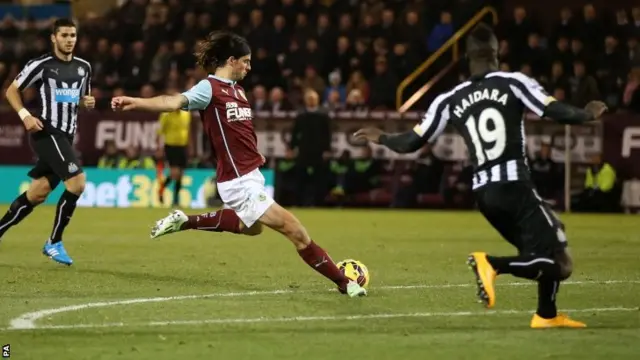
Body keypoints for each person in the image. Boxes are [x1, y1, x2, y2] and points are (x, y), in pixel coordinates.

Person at [354, 23, 608, 327]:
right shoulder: (513, 82)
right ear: (496, 54)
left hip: (485, 196)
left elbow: (411, 142)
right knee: (560, 262)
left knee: (538, 249)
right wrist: (588, 114)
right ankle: (492, 265)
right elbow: (552, 110)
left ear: (467, 58)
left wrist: (381, 136)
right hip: (514, 185)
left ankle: (546, 315)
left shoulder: (450, 98)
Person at [111, 31, 366, 297]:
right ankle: (345, 283)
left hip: (251, 173)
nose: (249, 66)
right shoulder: (208, 88)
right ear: (231, 60)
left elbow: (240, 129)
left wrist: (254, 154)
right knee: (297, 232)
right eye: (245, 61)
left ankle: (185, 221)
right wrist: (136, 102)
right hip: (238, 180)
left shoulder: (238, 91)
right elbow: (172, 101)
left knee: (251, 228)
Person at [0, 19, 94, 265]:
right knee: (77, 183)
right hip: (47, 132)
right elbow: (11, 90)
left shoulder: (84, 67)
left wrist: (86, 103)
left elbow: (81, 98)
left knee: (37, 194)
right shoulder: (41, 65)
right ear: (54, 38)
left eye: (73, 35)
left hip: (66, 136)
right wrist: (25, 116)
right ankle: (54, 242)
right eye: (64, 35)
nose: (69, 39)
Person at [157, 89, 191, 207]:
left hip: (183, 146)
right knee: (174, 173)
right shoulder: (166, 115)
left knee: (180, 174)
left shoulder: (186, 114)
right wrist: (159, 148)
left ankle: (175, 200)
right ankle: (161, 190)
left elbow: (188, 131)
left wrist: (189, 147)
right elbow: (160, 132)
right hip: (171, 146)